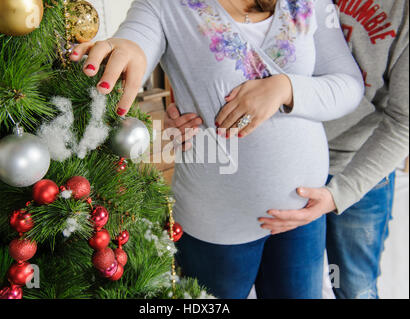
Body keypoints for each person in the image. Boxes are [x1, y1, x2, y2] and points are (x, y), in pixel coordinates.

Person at [71, 0, 364, 298]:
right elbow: (136, 39)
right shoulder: (163, 5)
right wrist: (127, 49)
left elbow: (350, 85)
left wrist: (285, 88)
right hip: (215, 224)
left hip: (301, 214)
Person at [167, 0, 409, 299]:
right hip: (268, 176)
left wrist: (341, 193)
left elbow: (404, 120)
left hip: (357, 161)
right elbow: (222, 58)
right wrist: (188, 106)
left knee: (354, 286)